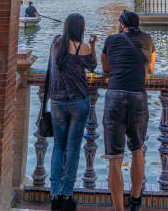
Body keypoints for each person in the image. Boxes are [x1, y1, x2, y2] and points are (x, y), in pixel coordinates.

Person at [101, 10, 155, 211]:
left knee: (115, 159)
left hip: (115, 96)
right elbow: (150, 69)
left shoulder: (110, 40)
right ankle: (135, 200)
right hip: (138, 96)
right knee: (137, 151)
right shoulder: (148, 40)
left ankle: (118, 209)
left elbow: (106, 68)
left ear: (121, 25)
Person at [47, 14, 97, 211]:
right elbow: (93, 66)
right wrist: (92, 44)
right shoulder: (82, 47)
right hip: (78, 102)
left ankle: (54, 194)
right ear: (81, 29)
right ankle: (68, 195)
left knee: (58, 147)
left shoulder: (56, 43)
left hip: (57, 101)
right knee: (74, 148)